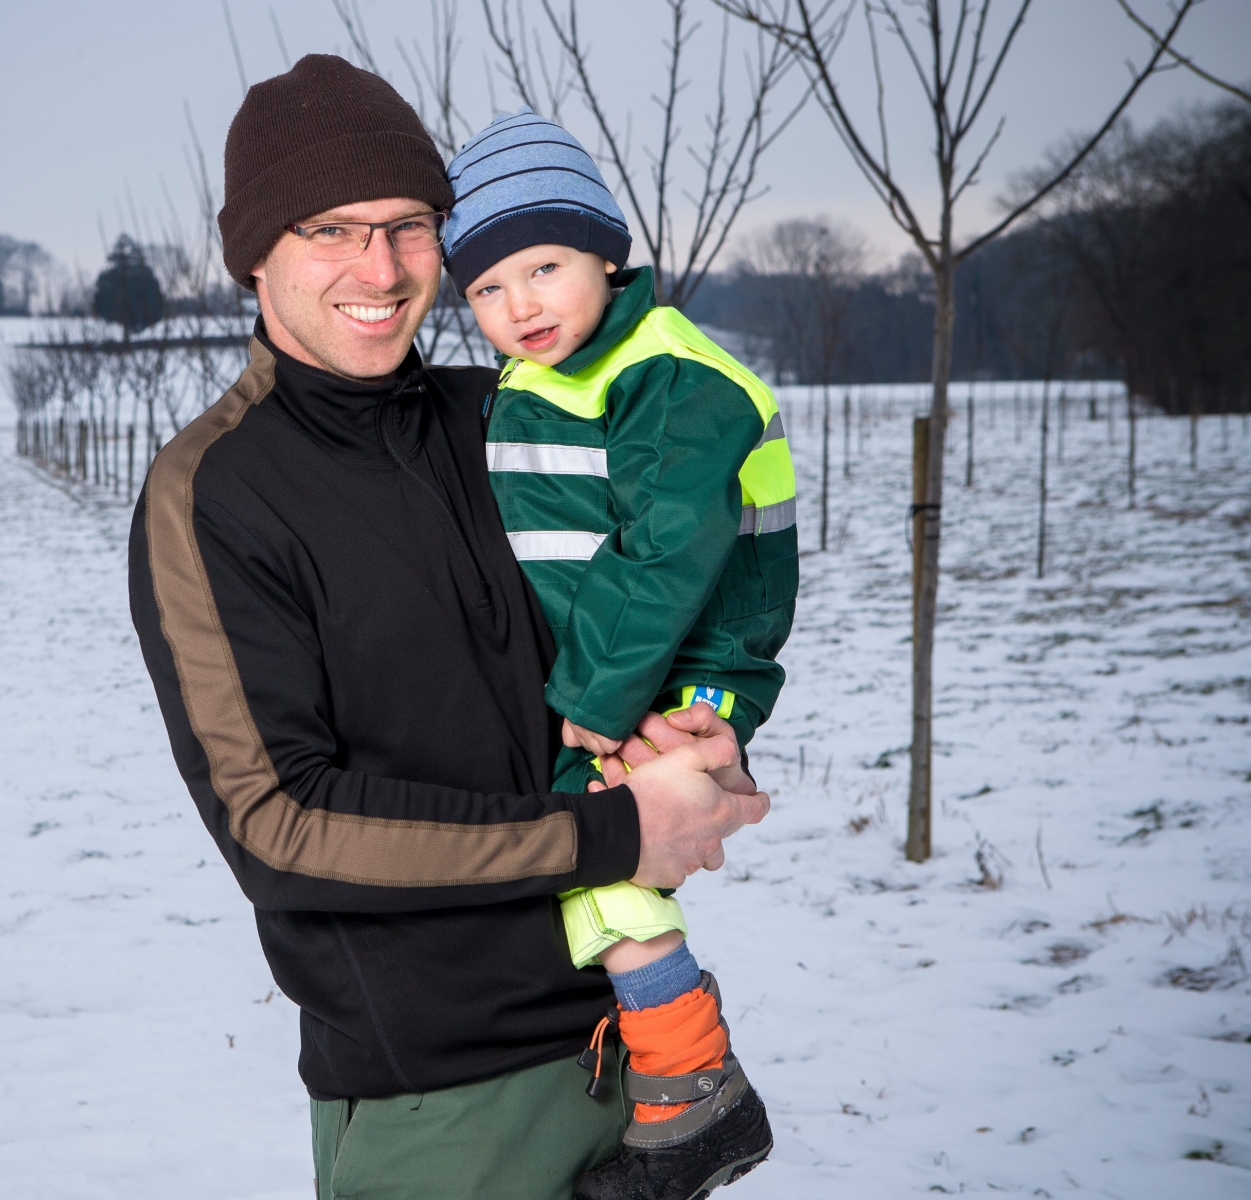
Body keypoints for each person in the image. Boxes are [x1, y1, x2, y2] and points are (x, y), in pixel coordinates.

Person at [128, 55, 769, 1200]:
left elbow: (667, 596)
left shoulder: (513, 417)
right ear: (255, 256)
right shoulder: (213, 493)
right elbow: (279, 827)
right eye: (330, 228)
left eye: (411, 225)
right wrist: (611, 839)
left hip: (637, 1052)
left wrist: (698, 736)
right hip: (439, 1104)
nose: (379, 268)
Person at [441, 109, 799, 1198]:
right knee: (582, 846)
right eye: (489, 290)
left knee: (597, 829)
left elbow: (663, 551)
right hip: (630, 659)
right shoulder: (554, 372)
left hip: (686, 659)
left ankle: (694, 1089)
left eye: (544, 267)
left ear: (607, 249)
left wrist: (594, 699)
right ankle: (668, 1069)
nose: (520, 307)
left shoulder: (666, 375)